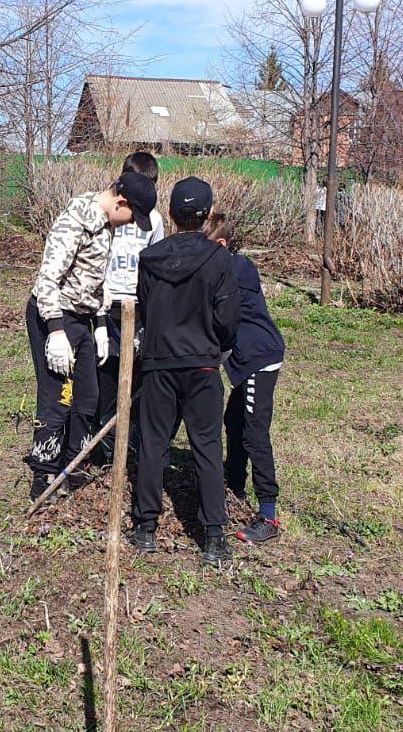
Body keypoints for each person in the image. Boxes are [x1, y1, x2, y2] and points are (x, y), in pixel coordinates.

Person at [26, 172, 157, 501]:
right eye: (131, 216)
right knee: (58, 395)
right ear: (120, 202)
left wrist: (100, 323)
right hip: (54, 315)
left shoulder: (106, 225)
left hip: (83, 316)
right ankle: (44, 475)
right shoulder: (76, 220)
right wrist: (55, 330)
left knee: (88, 395)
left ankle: (75, 465)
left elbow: (95, 280)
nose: (130, 224)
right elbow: (48, 279)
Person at [131, 177, 239, 564]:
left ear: (171, 214)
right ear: (208, 213)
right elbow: (228, 319)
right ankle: (213, 537)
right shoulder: (220, 260)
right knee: (207, 447)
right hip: (203, 365)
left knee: (153, 444)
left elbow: (142, 306)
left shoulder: (151, 258)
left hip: (159, 363)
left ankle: (145, 527)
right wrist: (216, 344)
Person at [205, 217, 287, 544]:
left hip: (259, 359)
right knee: (233, 420)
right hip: (245, 361)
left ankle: (269, 515)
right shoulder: (228, 267)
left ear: (221, 246)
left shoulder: (238, 269)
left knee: (254, 434)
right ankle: (234, 487)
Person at [94, 152, 165, 466]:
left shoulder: (155, 221)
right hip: (107, 304)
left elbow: (155, 263)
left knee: (135, 381)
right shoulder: (109, 212)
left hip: (138, 309)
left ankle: (129, 444)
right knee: (105, 377)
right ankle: (104, 448)